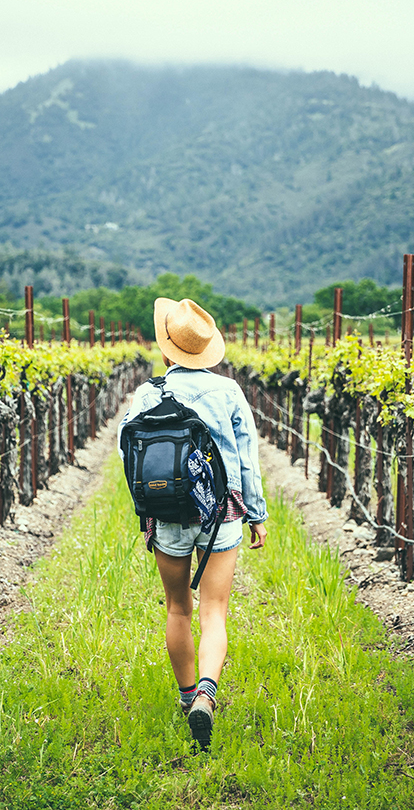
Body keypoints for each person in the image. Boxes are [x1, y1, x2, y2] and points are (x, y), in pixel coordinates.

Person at [118, 297, 268, 751]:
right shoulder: (229, 393)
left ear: (167, 350)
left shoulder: (147, 394)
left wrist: (149, 507)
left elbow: (128, 454)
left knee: (177, 607)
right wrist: (256, 514)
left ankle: (187, 700)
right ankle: (207, 691)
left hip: (167, 515)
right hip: (221, 511)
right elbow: (247, 461)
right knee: (213, 611)